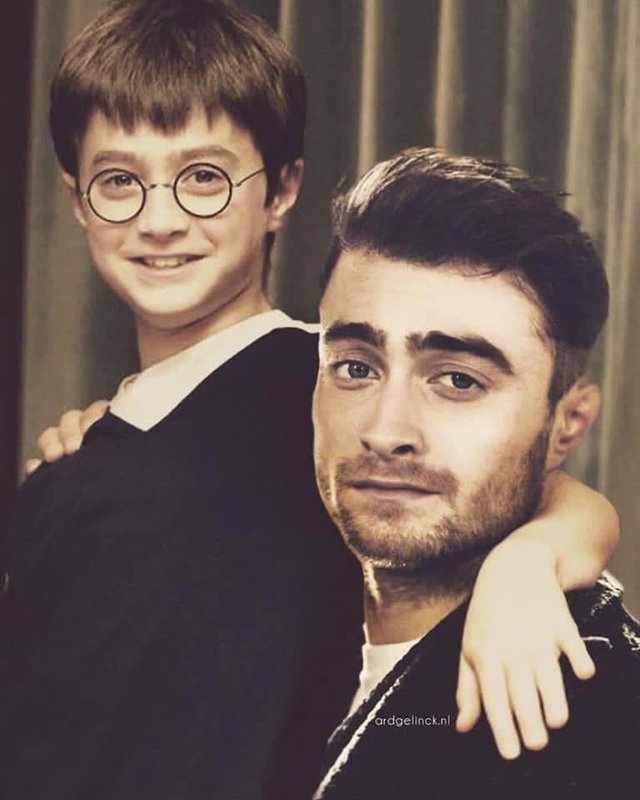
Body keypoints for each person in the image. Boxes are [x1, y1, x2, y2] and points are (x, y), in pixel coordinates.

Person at [0, 1, 618, 797]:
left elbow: (545, 484)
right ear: (77, 197)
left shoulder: (333, 379)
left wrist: (530, 561)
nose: (159, 220)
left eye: (204, 179)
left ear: (283, 189)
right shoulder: (87, 461)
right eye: (119, 181)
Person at [311, 147, 640, 799]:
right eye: (356, 367)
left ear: (566, 425)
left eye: (459, 380)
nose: (386, 431)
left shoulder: (601, 719)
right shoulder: (275, 591)